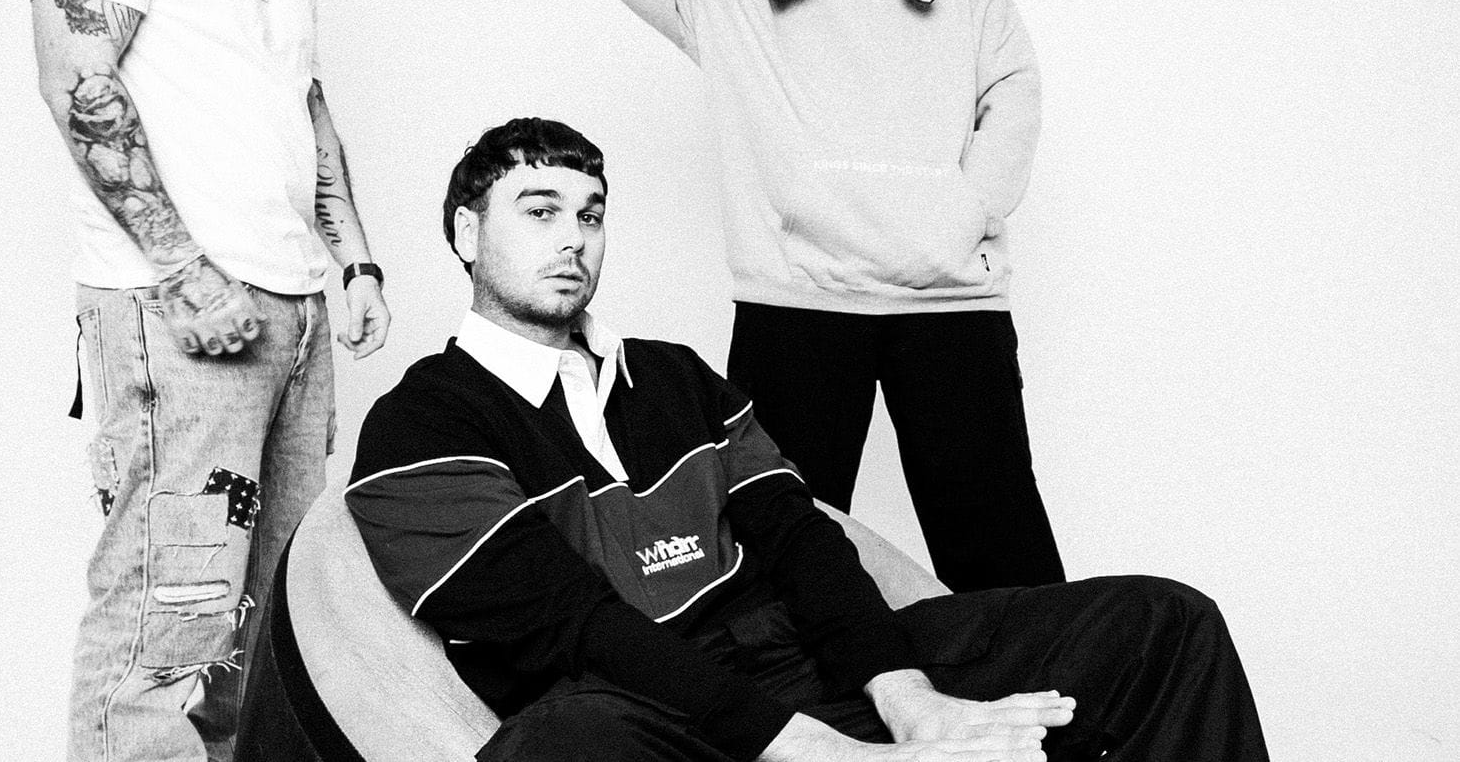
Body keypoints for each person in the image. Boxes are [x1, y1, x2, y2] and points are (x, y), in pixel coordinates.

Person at [345, 118, 1267, 761]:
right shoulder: (420, 425)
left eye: (590, 214)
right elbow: (570, 633)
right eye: (538, 210)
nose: (574, 239)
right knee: (558, 746)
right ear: (467, 232)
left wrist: (909, 702)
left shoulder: (674, 376)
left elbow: (798, 537)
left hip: (810, 663)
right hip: (649, 713)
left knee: (1162, 621)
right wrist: (828, 754)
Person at [25, 0, 391, 762]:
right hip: (181, 307)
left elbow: (305, 103)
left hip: (293, 306)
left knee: (264, 615)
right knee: (165, 614)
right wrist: (186, 274)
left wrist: (356, 260)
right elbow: (79, 77)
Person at [583, 0, 1061, 590]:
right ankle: (815, 719)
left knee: (1000, 551)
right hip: (797, 305)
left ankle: (1050, 714)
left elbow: (1013, 87)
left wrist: (964, 210)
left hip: (949, 306)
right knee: (782, 559)